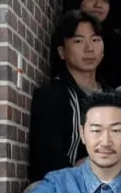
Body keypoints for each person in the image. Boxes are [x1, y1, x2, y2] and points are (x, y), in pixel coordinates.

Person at [30, 11, 106, 182]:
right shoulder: (51, 96)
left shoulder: (115, 99)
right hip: (64, 184)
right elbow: (47, 157)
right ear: (62, 52)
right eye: (78, 41)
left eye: (95, 40)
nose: (89, 48)